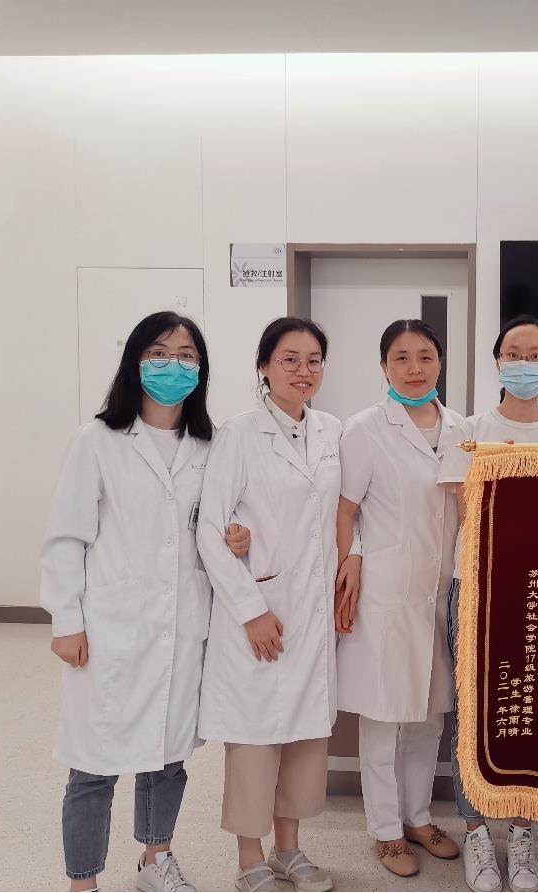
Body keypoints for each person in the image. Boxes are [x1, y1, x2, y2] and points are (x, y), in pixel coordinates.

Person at [41, 311, 244, 892]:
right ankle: (83, 881)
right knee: (93, 763)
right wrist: (66, 619)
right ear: (135, 361)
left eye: (186, 356)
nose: (172, 365)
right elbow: (66, 536)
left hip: (181, 626)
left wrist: (236, 536)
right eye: (159, 353)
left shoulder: (210, 445)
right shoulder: (98, 441)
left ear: (201, 370)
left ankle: (157, 860)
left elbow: (219, 522)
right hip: (111, 627)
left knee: (168, 757)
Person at [197, 317, 352, 892]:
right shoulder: (238, 434)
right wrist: (250, 610)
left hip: (312, 610)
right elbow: (211, 530)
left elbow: (346, 510)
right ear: (264, 366)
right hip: (261, 606)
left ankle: (289, 849)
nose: (303, 371)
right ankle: (249, 858)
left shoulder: (331, 430)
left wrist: (354, 558)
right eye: (289, 359)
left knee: (305, 735)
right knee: (256, 737)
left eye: (313, 360)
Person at [438, 315, 538, 893]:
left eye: (535, 354)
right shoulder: (468, 431)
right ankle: (475, 830)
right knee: (471, 712)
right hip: (477, 588)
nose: (524, 363)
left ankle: (522, 831)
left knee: (528, 714)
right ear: (498, 364)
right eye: (514, 354)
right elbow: (463, 507)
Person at [334, 319, 465, 878]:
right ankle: (385, 829)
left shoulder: (461, 429)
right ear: (384, 366)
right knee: (385, 717)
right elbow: (344, 509)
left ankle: (418, 817)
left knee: (430, 714)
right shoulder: (365, 428)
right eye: (402, 358)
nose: (415, 369)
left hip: (443, 593)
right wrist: (351, 559)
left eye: (426, 356)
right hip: (386, 593)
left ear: (440, 363)